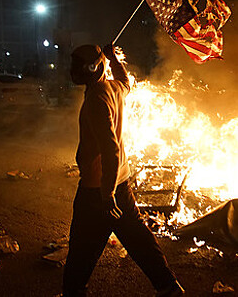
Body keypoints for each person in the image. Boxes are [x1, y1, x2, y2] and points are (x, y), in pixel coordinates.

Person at [62, 44, 184, 297]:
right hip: (120, 182)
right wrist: (114, 59)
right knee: (138, 239)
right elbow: (125, 81)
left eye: (78, 67)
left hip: (98, 189)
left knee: (82, 248)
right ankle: (168, 286)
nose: (73, 71)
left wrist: (106, 196)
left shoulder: (97, 98)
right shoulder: (114, 88)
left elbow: (110, 148)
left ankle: (73, 292)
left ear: (93, 68)